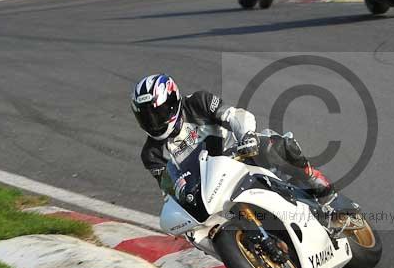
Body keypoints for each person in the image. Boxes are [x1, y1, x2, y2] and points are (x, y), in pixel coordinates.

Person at [131, 74, 336, 210]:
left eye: (157, 113)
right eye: (147, 117)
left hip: (240, 156)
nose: (154, 122)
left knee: (273, 146)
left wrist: (247, 136)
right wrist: (181, 197)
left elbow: (234, 115)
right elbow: (170, 188)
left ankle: (314, 180)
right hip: (209, 190)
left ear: (174, 101)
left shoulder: (197, 103)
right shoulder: (151, 155)